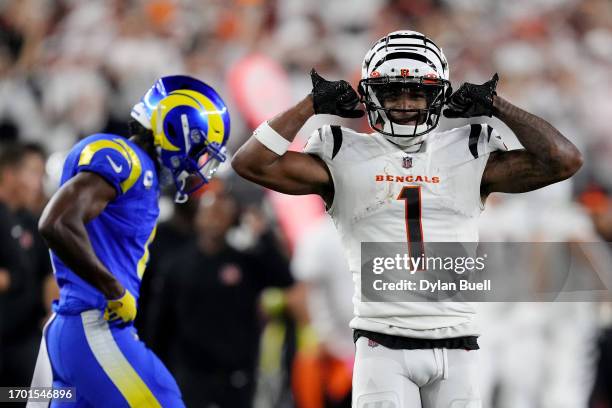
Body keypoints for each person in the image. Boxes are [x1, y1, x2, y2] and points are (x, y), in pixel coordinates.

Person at [231, 30, 583, 408]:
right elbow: (249, 163)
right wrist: (310, 104)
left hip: (459, 344)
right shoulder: (342, 151)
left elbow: (564, 159)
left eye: (418, 92)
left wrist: (497, 105)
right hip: (382, 343)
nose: (405, 103)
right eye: (392, 92)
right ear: (371, 96)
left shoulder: (467, 150)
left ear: (438, 96)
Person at [30, 75, 230, 407]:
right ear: (174, 129)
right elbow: (56, 221)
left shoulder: (142, 174)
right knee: (164, 399)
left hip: (73, 329)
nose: (197, 164)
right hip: (95, 326)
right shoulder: (126, 158)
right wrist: (113, 288)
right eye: (198, 149)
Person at [148, 186, 294, 408]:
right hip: (191, 375)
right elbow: (160, 324)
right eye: (209, 212)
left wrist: (262, 234)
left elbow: (285, 279)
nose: (215, 218)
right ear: (197, 217)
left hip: (236, 376)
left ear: (232, 219)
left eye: (221, 212)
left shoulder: (246, 262)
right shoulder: (176, 265)